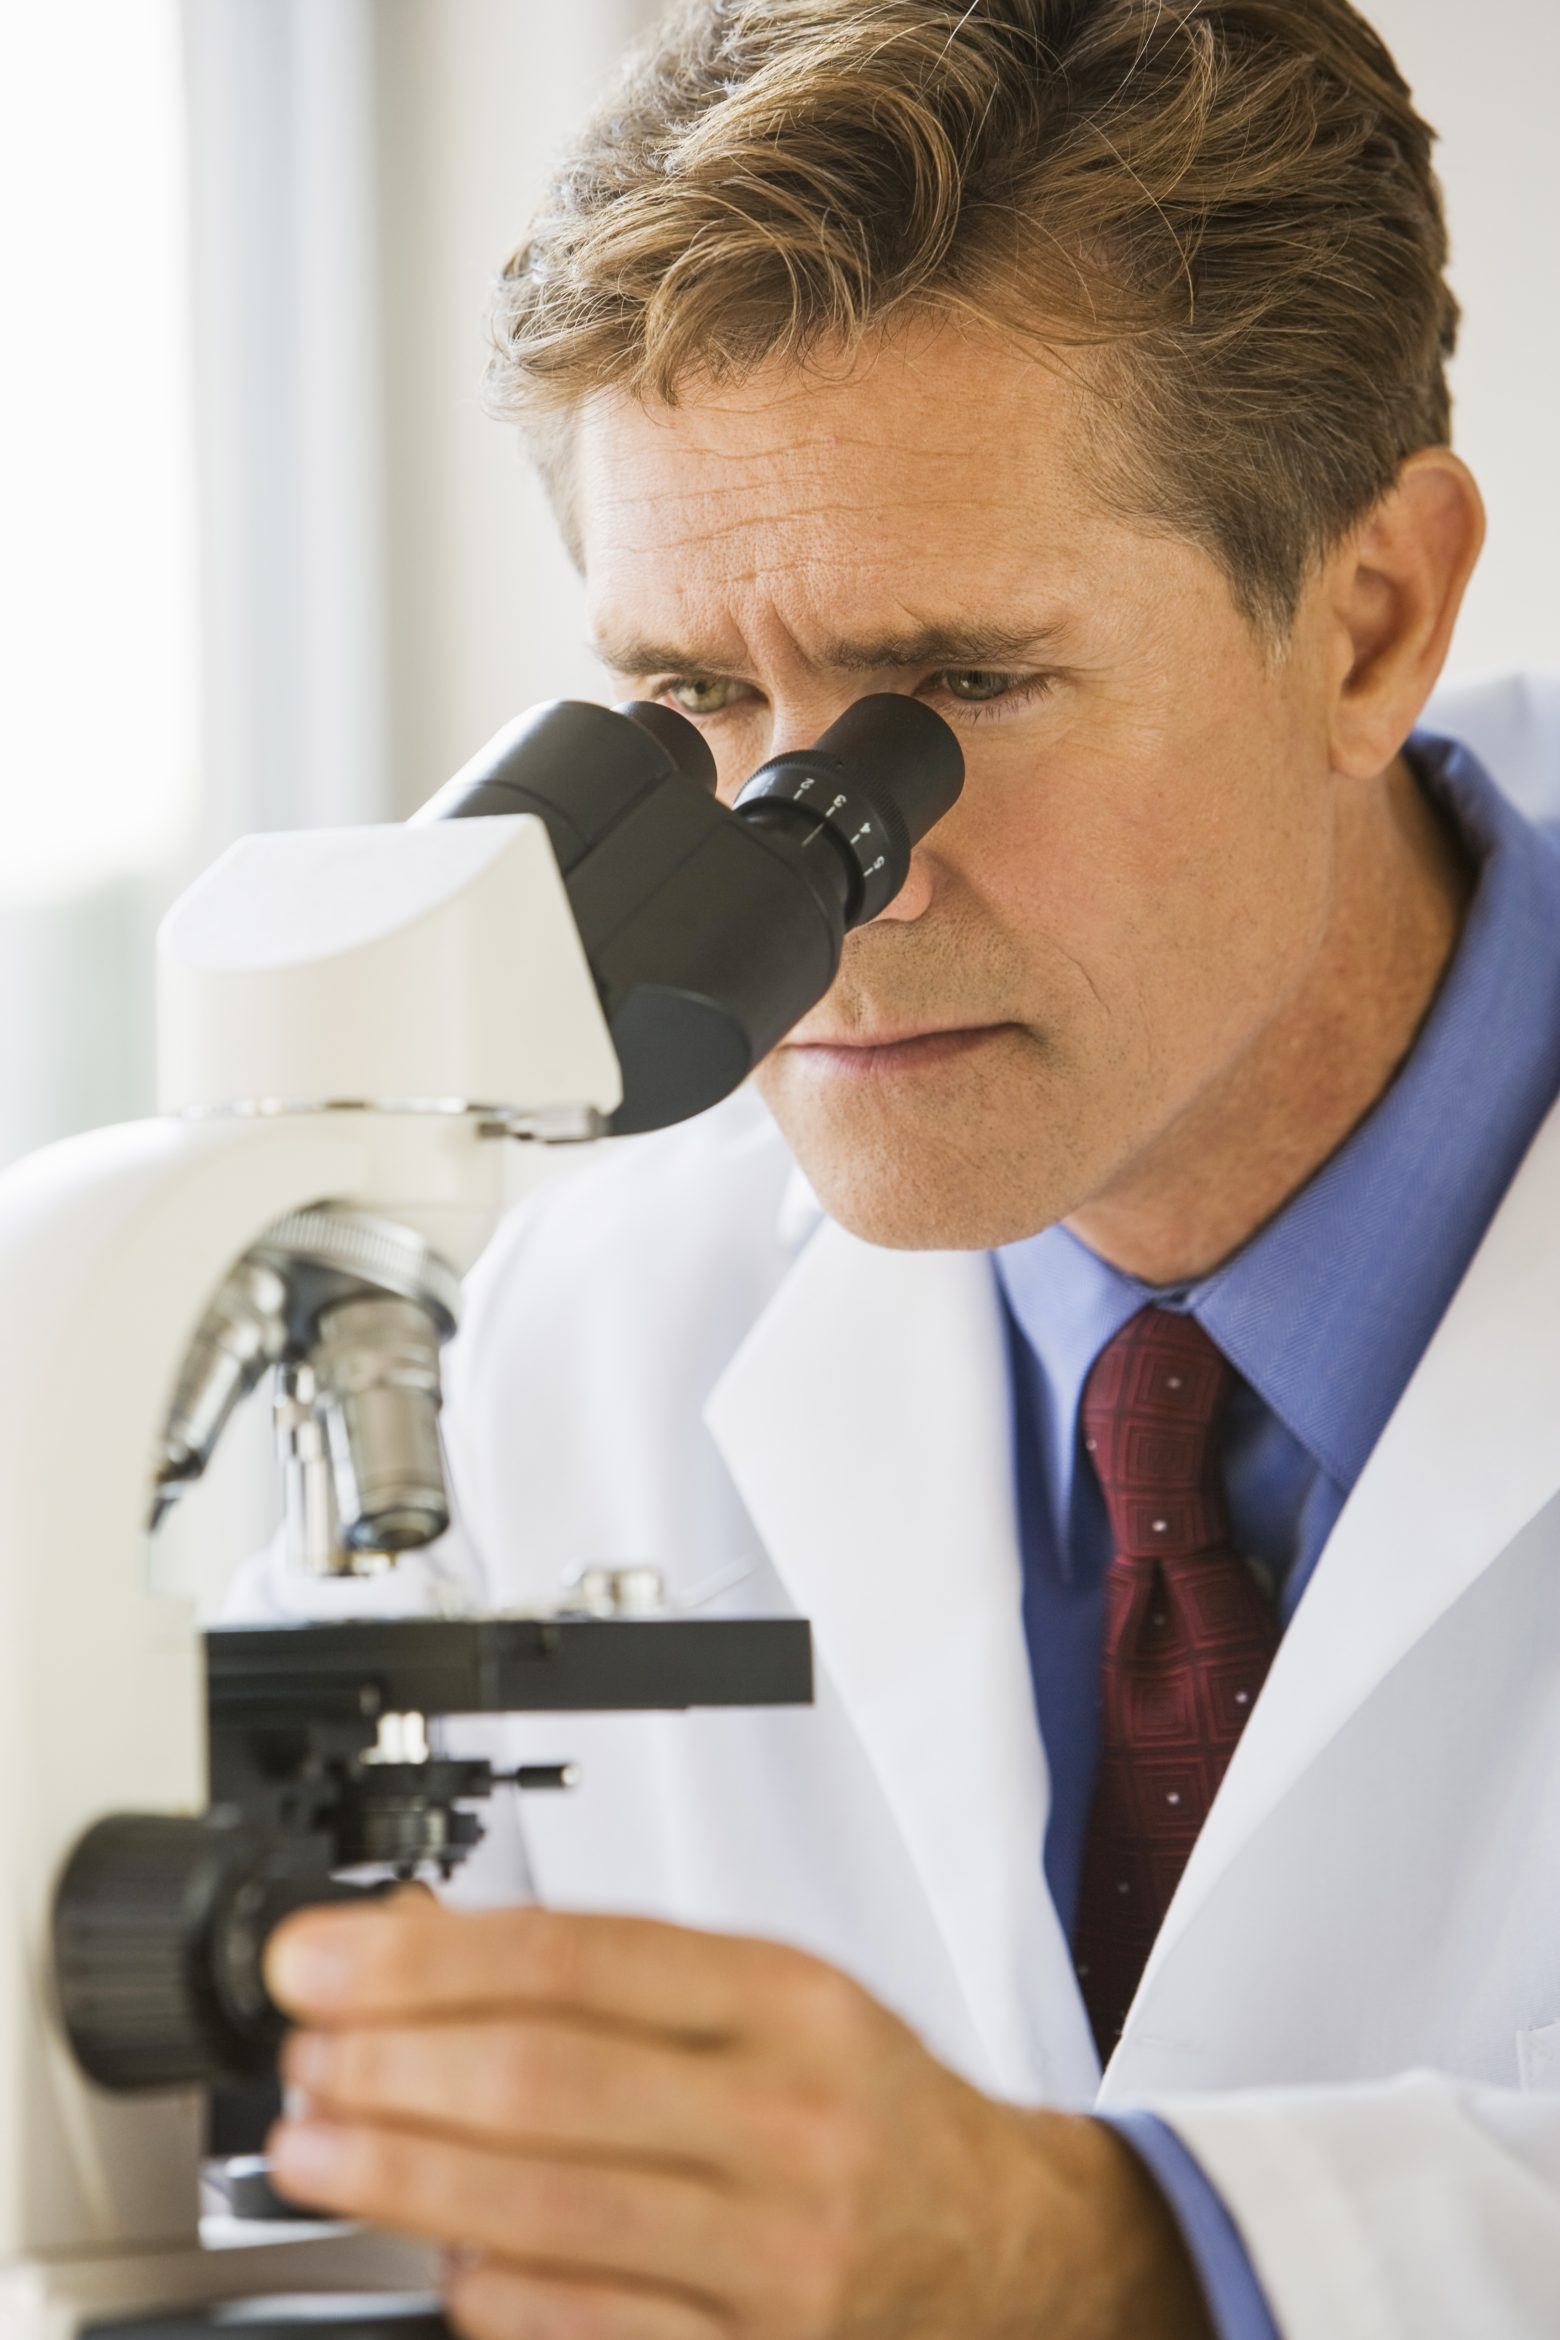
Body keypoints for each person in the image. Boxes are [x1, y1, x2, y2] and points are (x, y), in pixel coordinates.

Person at [245, 3, 1560, 2333]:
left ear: (1370, 624)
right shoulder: (576, 1345)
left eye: (946, 691)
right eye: (688, 706)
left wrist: (1097, 2256)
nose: (821, 890)